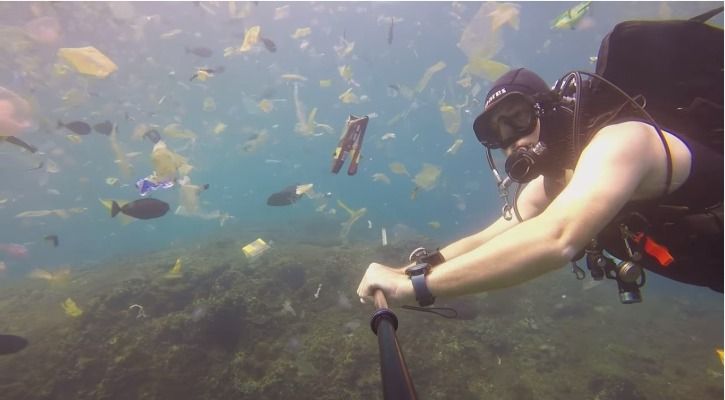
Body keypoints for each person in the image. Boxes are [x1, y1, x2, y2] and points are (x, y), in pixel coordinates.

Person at [357, 63, 722, 306]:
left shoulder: (625, 141)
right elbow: (487, 238)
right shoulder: (558, 182)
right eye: (496, 133)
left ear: (550, 109)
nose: (512, 140)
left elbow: (555, 238)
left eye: (518, 119)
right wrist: (408, 270)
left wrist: (413, 289)